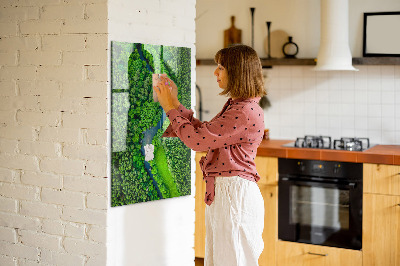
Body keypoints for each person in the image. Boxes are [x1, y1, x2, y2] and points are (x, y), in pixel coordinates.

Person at [154, 44, 266, 266]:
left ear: (237, 72)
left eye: (221, 67)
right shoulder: (239, 106)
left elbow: (197, 141)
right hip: (228, 193)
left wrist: (169, 107)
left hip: (234, 195)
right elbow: (204, 133)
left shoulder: (243, 111)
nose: (215, 72)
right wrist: (175, 103)